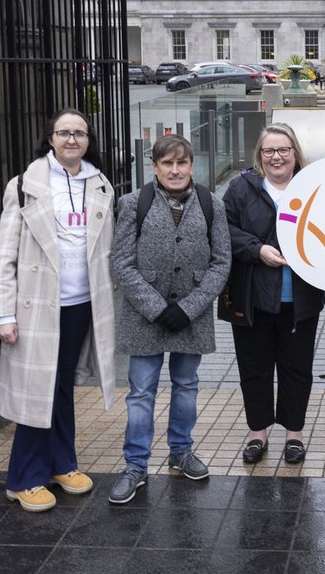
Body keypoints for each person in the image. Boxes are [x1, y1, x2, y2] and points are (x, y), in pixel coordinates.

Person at [0, 108, 117, 512]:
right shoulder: (25, 185)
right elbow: (4, 253)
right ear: (50, 139)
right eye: (64, 133)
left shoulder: (100, 184)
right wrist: (3, 313)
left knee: (62, 386)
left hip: (82, 303)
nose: (72, 140)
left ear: (88, 140)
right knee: (36, 389)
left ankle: (62, 462)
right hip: (36, 306)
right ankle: (23, 478)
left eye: (79, 133)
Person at [108, 134, 231, 504]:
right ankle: (135, 465)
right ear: (155, 167)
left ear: (192, 166)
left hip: (190, 318)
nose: (175, 170)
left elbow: (222, 261)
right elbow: (122, 263)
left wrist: (189, 307)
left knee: (186, 386)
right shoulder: (133, 204)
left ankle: (181, 451)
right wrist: (157, 308)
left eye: (181, 163)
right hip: (145, 318)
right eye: (167, 164)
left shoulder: (212, 204)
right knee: (141, 391)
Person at [223, 123, 325, 465]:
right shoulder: (240, 189)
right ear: (259, 156)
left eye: (284, 150)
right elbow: (225, 231)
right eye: (269, 151)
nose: (277, 157)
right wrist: (257, 250)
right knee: (255, 368)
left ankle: (294, 435)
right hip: (253, 297)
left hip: (301, 299)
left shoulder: (315, 188)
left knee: (297, 369)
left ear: (295, 153)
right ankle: (257, 433)